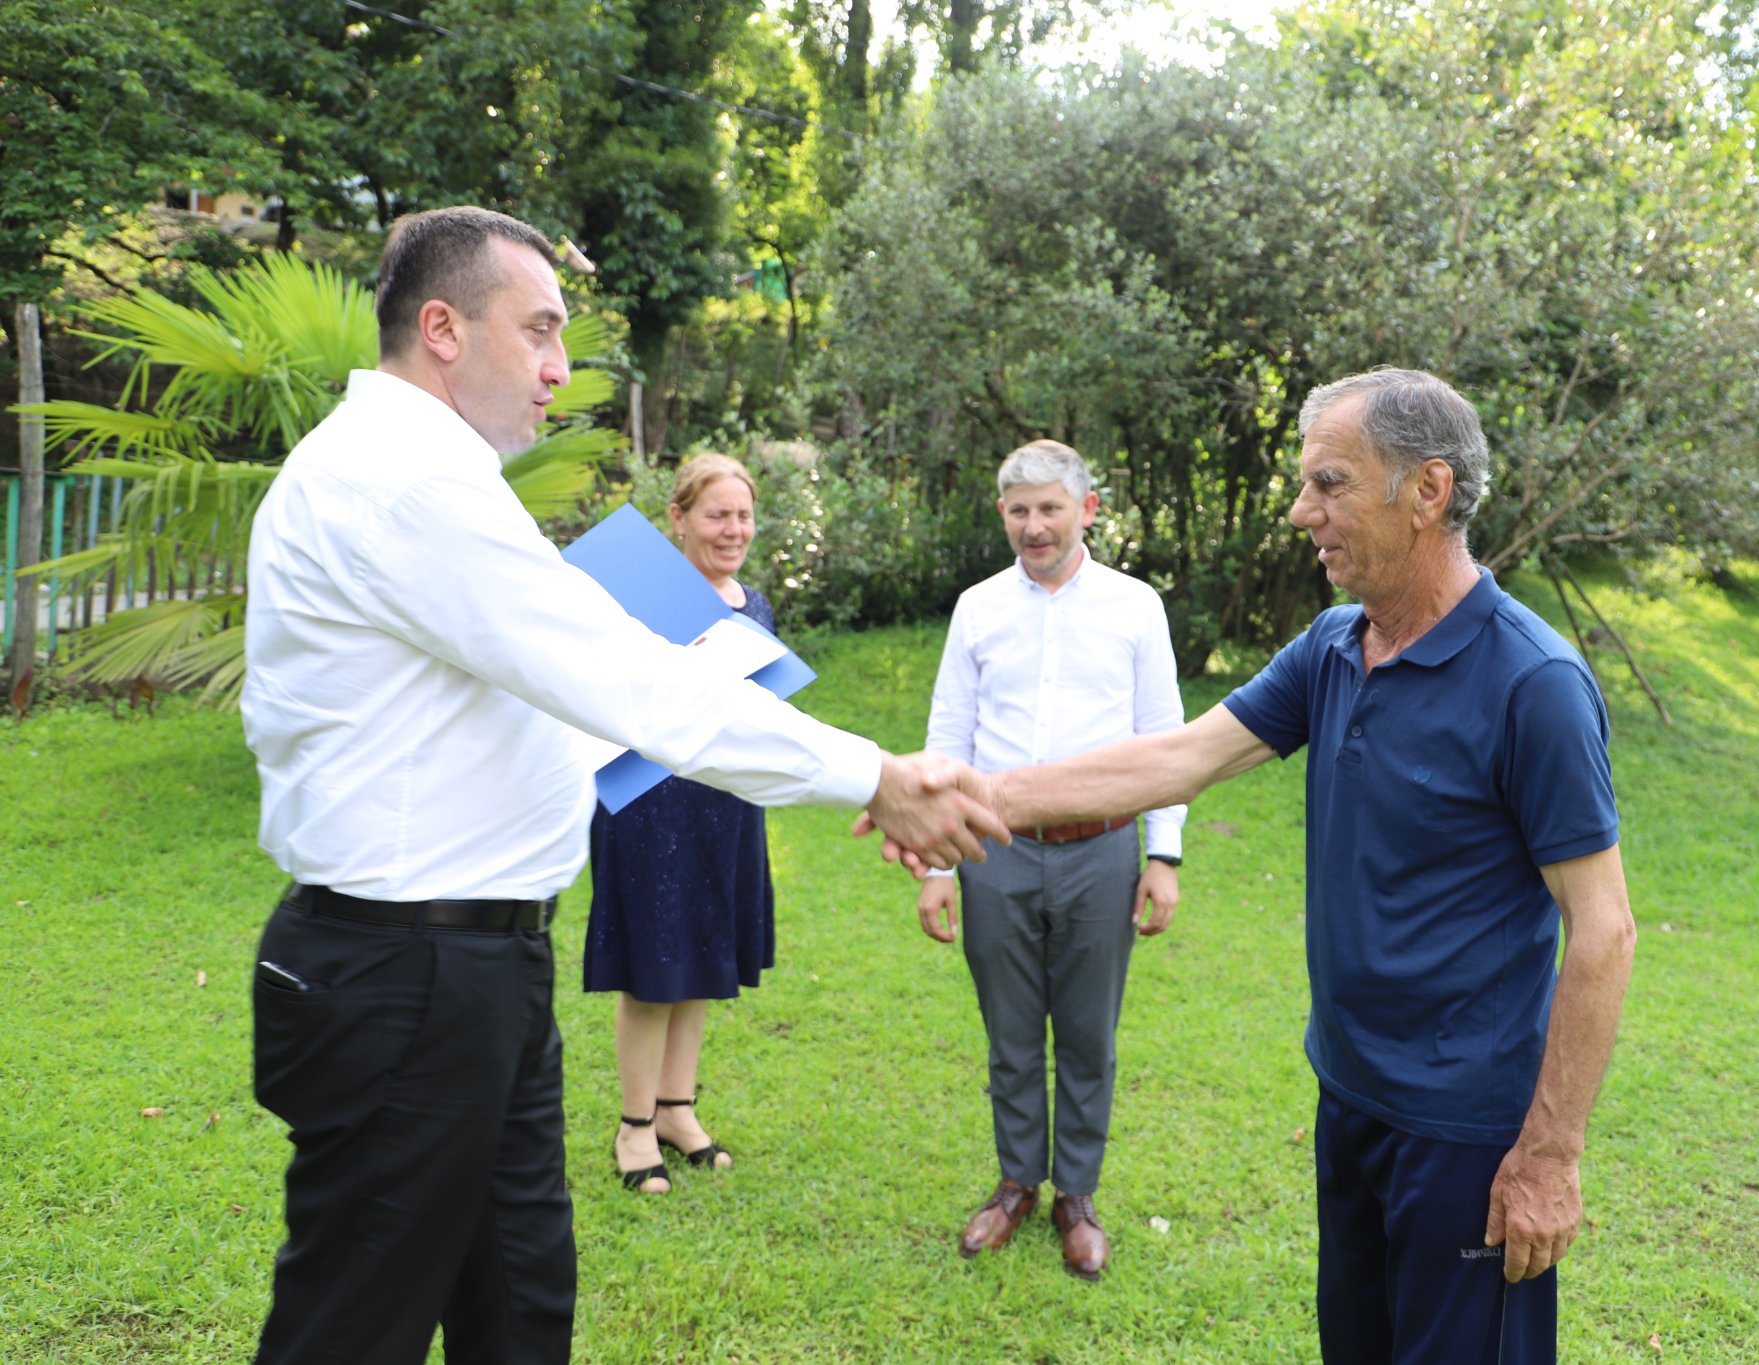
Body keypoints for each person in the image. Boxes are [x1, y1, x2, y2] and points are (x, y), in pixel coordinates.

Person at [240, 205, 1003, 1365]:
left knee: (519, 1303)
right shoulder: (405, 484)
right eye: (539, 330)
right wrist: (875, 775)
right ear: (442, 329)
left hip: (471, 967)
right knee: (352, 1329)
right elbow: (628, 683)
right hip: (409, 977)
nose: (560, 367)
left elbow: (546, 698)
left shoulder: (424, 474)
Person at [871, 370, 1635, 1363]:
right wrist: (972, 795)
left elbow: (1603, 929)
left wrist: (1550, 1154)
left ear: (1427, 490)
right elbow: (1176, 758)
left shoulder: (1533, 683)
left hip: (1467, 1135)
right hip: (1348, 1093)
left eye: (1328, 484)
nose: (1300, 511)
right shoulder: (1335, 646)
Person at [916, 440, 1185, 1280]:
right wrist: (937, 867)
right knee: (1009, 1031)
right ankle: (1015, 1184)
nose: (1034, 525)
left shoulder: (1134, 606)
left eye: (1050, 508)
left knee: (1088, 1033)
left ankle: (1077, 1193)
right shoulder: (978, 608)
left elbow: (1165, 738)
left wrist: (1164, 853)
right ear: (1003, 514)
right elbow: (948, 736)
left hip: (1102, 850)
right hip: (994, 852)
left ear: (1087, 510)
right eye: (1019, 510)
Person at [584, 452, 780, 1192]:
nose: (734, 530)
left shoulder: (755, 606)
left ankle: (676, 1109)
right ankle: (634, 1125)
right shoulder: (636, 600)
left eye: (744, 515)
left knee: (702, 958)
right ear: (679, 518)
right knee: (652, 969)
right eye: (717, 514)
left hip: (725, 805)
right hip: (650, 804)